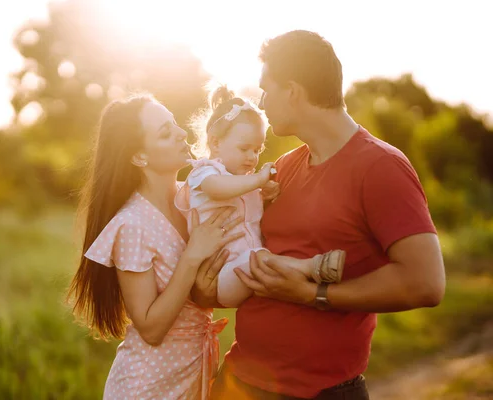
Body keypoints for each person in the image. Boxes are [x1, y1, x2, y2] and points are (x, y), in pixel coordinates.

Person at [192, 30, 446, 400]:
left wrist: (314, 293)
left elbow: (426, 283)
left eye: (267, 90)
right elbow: (243, 253)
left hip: (318, 393)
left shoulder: (382, 167)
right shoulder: (282, 169)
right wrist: (204, 289)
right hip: (237, 382)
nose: (261, 103)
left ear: (293, 91)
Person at [67, 94, 245, 399]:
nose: (181, 133)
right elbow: (150, 328)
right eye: (165, 132)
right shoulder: (133, 224)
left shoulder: (195, 197)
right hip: (148, 387)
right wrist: (192, 257)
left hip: (194, 376)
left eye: (175, 123)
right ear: (139, 157)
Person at [176, 84, 346, 308]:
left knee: (259, 257)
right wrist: (257, 182)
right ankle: (310, 268)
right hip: (222, 275)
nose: (251, 157)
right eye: (244, 148)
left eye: (257, 150)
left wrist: (264, 194)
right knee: (257, 257)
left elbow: (248, 205)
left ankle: (307, 277)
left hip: (248, 266)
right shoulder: (205, 172)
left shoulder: (243, 179)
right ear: (215, 143)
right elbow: (218, 188)